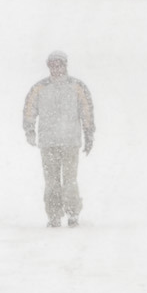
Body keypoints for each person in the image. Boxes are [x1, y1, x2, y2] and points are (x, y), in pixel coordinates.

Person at [22, 51, 95, 228]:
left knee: (70, 181)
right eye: (52, 65)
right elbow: (29, 109)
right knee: (51, 183)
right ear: (48, 66)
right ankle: (54, 215)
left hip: (70, 142)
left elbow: (87, 110)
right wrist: (29, 129)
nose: (56, 68)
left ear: (65, 65)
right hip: (48, 143)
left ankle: (72, 213)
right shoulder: (39, 88)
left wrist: (89, 133)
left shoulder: (77, 86)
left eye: (59, 64)